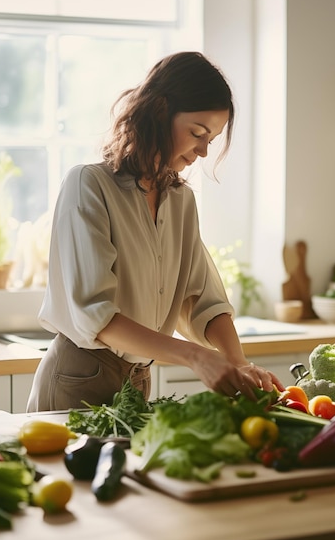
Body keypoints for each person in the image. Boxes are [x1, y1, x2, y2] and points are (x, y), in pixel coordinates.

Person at [26, 51, 284, 412]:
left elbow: (202, 301)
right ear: (160, 111)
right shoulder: (88, 185)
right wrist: (195, 357)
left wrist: (239, 363)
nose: (204, 151)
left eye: (211, 138)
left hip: (138, 379)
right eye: (197, 133)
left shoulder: (181, 202)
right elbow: (95, 316)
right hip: (78, 377)